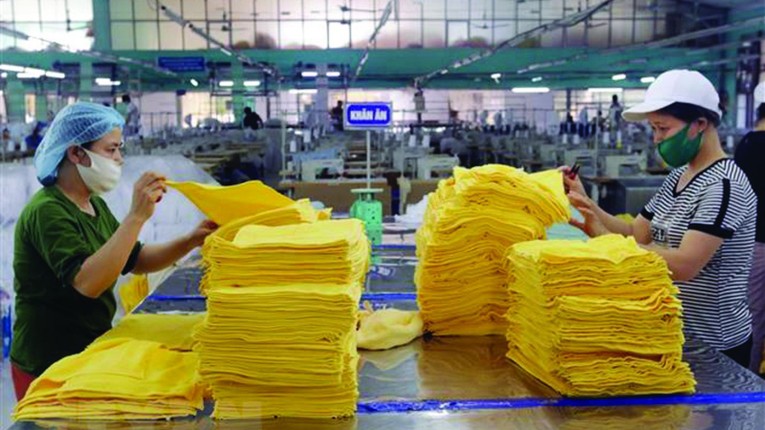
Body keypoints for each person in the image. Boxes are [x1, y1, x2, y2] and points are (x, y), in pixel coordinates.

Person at [10, 102, 217, 400]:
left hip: (85, 350)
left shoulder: (93, 204)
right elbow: (87, 283)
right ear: (76, 153)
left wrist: (190, 241)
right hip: (47, 361)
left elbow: (135, 259)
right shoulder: (48, 211)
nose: (119, 159)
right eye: (111, 150)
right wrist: (136, 217)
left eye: (120, 149)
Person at [563, 70, 757, 368]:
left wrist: (605, 239)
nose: (656, 139)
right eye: (654, 129)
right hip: (673, 333)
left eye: (663, 128)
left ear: (700, 124)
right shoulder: (678, 177)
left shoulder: (724, 185)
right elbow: (635, 233)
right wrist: (585, 202)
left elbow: (684, 265)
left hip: (714, 345)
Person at [734, 81, 765, 374]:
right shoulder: (755, 146)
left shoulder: (746, 144)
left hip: (753, 242)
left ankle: (750, 381)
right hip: (758, 244)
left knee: (754, 314)